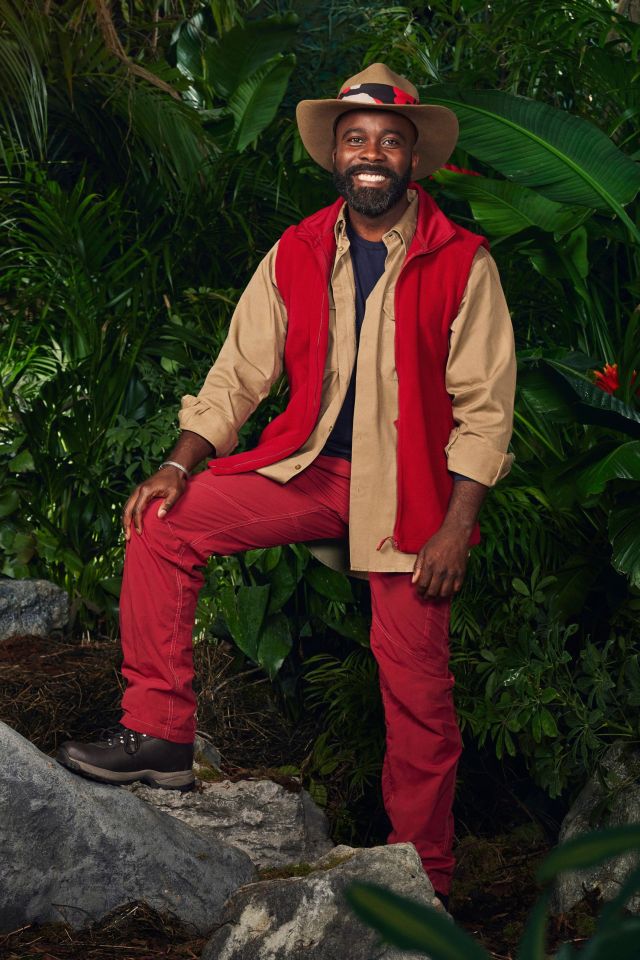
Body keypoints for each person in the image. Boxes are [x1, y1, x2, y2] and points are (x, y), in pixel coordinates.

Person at [58, 63, 516, 909]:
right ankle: (158, 733)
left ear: (412, 158)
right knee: (165, 521)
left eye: (387, 140)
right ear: (334, 156)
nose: (369, 153)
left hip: (413, 496)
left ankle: (425, 880)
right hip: (314, 470)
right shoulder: (298, 250)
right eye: (355, 139)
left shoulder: (462, 265)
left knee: (415, 689)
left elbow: (486, 414)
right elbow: (238, 375)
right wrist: (176, 463)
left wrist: (457, 528)